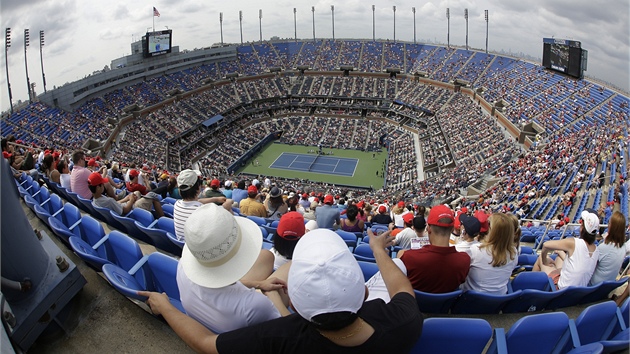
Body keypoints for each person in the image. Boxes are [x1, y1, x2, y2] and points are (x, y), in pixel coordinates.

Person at [139, 228, 424, 354]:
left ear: (296, 308)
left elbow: (204, 343)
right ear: (363, 294)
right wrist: (377, 251)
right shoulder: (404, 323)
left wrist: (166, 307)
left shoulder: (276, 338)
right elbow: (400, 286)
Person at [175, 203, 289, 334]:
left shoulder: (182, 266)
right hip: (243, 338)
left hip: (210, 326)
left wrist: (258, 284)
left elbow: (222, 288)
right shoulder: (255, 305)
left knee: (266, 256)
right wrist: (273, 296)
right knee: (288, 267)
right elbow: (291, 331)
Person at [396, 205, 471, 293]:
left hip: (415, 305)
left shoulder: (408, 257)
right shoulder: (464, 260)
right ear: (451, 229)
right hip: (445, 306)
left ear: (428, 228)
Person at [533, 210, 600, 289]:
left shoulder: (574, 242)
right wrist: (560, 252)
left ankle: (531, 288)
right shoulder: (597, 250)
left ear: (582, 228)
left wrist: (544, 260)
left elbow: (546, 245)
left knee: (541, 258)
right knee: (559, 258)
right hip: (577, 293)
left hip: (560, 290)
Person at [461, 213, 518, 295]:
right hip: (498, 302)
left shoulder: (476, 249)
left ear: (492, 231)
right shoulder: (514, 253)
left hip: (473, 301)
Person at [173, 169, 229, 242]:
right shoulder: (204, 211)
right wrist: (228, 204)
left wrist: (214, 199)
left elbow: (196, 201)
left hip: (185, 248)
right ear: (198, 188)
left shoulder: (177, 204)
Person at [589, 211, 628, 285]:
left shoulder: (604, 247)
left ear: (613, 227)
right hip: (606, 286)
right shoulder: (623, 247)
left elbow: (589, 267)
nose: (607, 225)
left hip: (593, 285)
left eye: (609, 223)